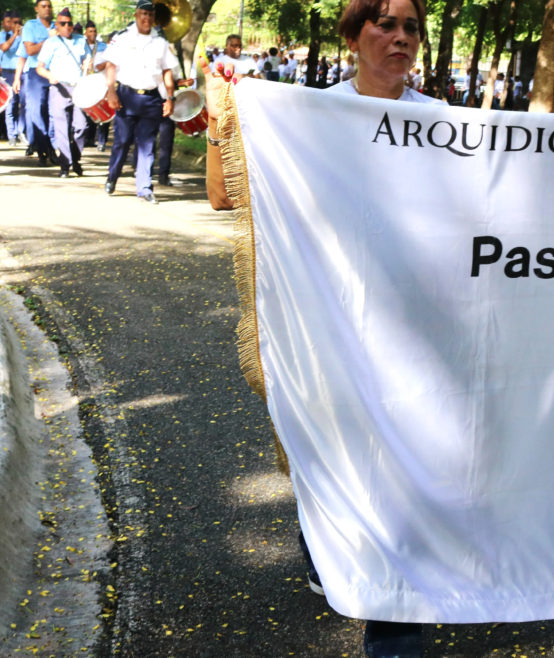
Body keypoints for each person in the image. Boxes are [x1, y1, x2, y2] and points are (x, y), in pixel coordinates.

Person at [204, 0, 436, 653]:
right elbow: (224, 196)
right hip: (328, 325)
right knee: (331, 452)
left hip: (411, 333)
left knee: (399, 467)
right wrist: (224, 119)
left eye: (410, 27)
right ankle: (326, 544)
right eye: (384, 23)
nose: (399, 37)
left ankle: (394, 631)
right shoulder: (305, 119)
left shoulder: (443, 124)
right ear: (354, 32)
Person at [103, 0, 177, 204]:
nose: (147, 18)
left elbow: (167, 70)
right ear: (136, 15)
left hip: (152, 98)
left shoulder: (160, 41)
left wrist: (169, 97)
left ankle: (144, 188)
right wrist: (111, 91)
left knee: (147, 145)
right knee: (122, 141)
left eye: (150, 15)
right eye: (143, 14)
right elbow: (110, 65)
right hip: (126, 96)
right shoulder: (122, 38)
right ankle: (112, 177)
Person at [36, 8, 89, 178]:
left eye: (69, 23)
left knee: (81, 126)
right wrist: (50, 75)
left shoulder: (81, 41)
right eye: (63, 23)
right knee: (61, 128)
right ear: (57, 26)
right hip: (59, 87)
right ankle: (65, 165)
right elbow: (40, 67)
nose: (67, 26)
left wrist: (89, 65)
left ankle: (74, 158)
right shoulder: (51, 43)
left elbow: (87, 61)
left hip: (78, 87)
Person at [17, 0, 56, 166]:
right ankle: (43, 149)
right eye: (43, 6)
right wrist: (49, 37)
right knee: (36, 112)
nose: (47, 9)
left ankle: (52, 147)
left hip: (55, 74)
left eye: (49, 6)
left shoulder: (59, 24)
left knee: (54, 113)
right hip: (36, 74)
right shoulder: (30, 26)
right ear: (37, 9)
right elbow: (29, 51)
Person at [0, 11, 25, 146]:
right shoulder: (4, 36)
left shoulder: (25, 36)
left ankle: (21, 131)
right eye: (14, 22)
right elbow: (4, 48)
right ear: (10, 23)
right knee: (10, 104)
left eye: (19, 22)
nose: (17, 25)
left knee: (23, 103)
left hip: (22, 72)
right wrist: (15, 35)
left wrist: (21, 36)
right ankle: (12, 135)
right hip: (8, 72)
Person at [81, 20, 109, 150]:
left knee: (102, 108)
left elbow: (109, 62)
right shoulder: (81, 46)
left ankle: (102, 141)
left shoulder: (103, 47)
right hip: (86, 81)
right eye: (90, 31)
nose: (93, 33)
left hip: (100, 80)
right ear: (85, 33)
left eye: (94, 31)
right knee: (89, 109)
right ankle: (89, 138)